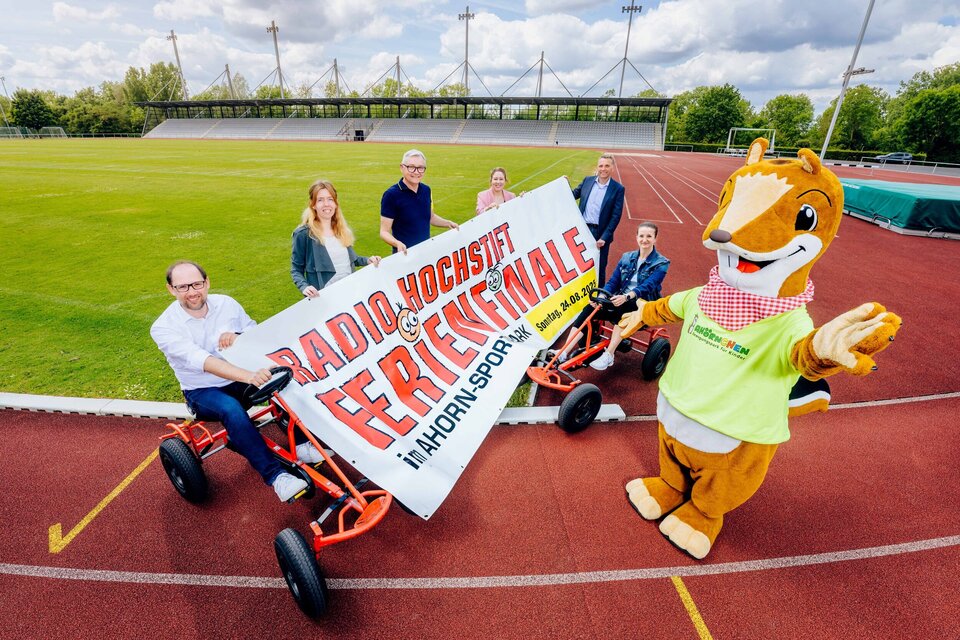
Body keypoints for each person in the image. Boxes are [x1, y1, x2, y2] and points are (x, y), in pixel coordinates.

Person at [150, 260, 322, 502]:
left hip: (240, 378)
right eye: (182, 287)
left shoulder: (226, 304)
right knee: (231, 409)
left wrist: (239, 336)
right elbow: (203, 360)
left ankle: (303, 444)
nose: (192, 292)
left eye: (196, 284)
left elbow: (253, 332)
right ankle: (277, 477)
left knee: (285, 378)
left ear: (207, 282)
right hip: (202, 391)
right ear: (171, 289)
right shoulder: (163, 327)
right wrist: (250, 376)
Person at [551, 222, 669, 371]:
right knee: (589, 308)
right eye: (641, 236)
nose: (644, 240)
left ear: (655, 238)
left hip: (642, 304)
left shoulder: (662, 263)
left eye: (649, 236)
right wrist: (601, 297)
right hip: (620, 300)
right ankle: (563, 353)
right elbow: (613, 282)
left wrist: (627, 297)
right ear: (637, 237)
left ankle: (609, 355)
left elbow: (648, 286)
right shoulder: (627, 257)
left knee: (625, 310)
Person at [291, 179, 381, 298]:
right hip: (325, 297)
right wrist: (304, 287)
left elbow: (350, 260)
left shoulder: (341, 229)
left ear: (335, 203)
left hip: (350, 291)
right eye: (320, 200)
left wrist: (368, 260)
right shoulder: (304, 234)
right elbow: (296, 269)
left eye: (330, 199)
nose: (326, 204)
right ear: (313, 205)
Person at [380, 149, 458, 254]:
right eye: (411, 167)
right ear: (402, 168)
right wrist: (397, 243)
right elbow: (384, 232)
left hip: (425, 253)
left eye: (420, 168)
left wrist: (447, 223)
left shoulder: (426, 190)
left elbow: (430, 217)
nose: (416, 172)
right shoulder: (391, 195)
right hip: (405, 256)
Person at [571, 153, 625, 282]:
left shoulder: (618, 189)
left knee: (599, 267)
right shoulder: (587, 181)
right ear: (597, 167)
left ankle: (598, 297)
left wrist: (604, 237)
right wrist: (563, 184)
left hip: (600, 234)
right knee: (579, 264)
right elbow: (571, 195)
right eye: (601, 165)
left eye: (607, 166)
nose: (603, 169)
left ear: (612, 168)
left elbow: (615, 216)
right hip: (582, 230)